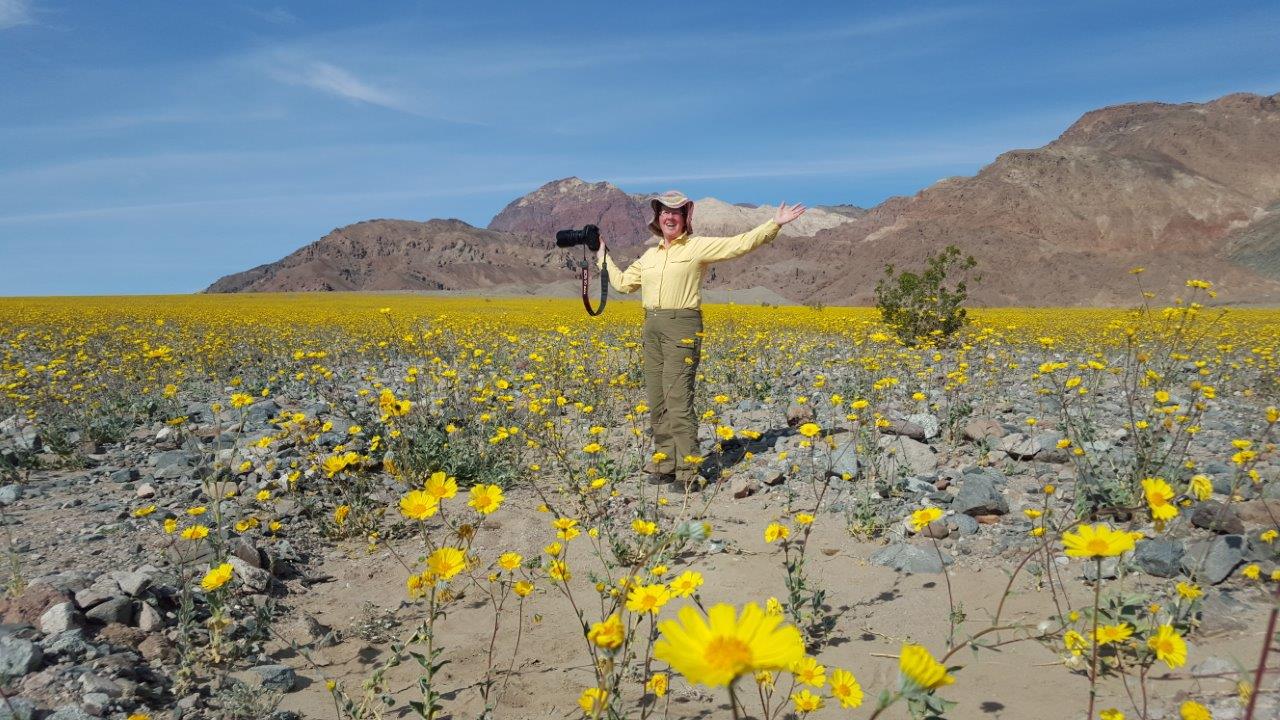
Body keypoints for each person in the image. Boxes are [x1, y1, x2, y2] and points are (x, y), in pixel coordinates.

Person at [596, 190, 807, 486]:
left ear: (685, 218)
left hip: (682, 326)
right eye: (665, 211)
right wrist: (602, 256)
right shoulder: (649, 256)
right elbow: (621, 284)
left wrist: (774, 224)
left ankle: (688, 471)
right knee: (658, 401)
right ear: (657, 217)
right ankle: (665, 462)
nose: (670, 216)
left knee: (678, 400)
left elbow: (738, 245)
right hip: (652, 327)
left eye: (677, 211)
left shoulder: (696, 247)